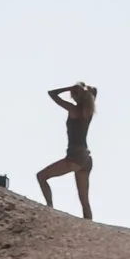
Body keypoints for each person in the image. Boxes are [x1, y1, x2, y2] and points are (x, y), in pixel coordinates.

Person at [37, 79, 98, 217]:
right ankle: (91, 229)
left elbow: (52, 94)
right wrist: (84, 90)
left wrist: (68, 87)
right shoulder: (89, 112)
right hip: (86, 158)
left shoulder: (74, 110)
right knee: (84, 201)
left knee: (41, 176)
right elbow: (95, 91)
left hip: (75, 156)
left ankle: (50, 209)